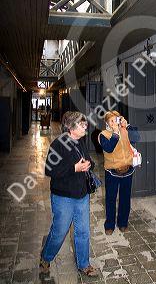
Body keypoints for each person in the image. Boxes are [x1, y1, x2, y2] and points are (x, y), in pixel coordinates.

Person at [39, 111, 98, 277]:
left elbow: (88, 160)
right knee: (59, 231)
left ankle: (84, 264)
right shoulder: (58, 145)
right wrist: (74, 168)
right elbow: (50, 170)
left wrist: (89, 164)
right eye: (81, 124)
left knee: (83, 231)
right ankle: (45, 257)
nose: (85, 126)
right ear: (71, 127)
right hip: (63, 197)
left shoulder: (80, 142)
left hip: (81, 194)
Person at [98, 110, 140, 235]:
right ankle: (109, 225)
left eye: (116, 119)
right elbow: (109, 148)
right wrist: (115, 132)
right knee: (111, 198)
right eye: (111, 120)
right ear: (107, 123)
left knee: (125, 198)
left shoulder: (125, 130)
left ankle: (123, 223)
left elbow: (137, 137)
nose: (114, 122)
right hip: (112, 171)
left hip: (127, 169)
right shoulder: (103, 135)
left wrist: (127, 126)